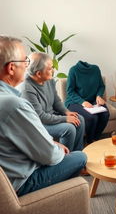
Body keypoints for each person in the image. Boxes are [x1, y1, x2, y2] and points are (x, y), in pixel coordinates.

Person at [0, 36, 87, 196]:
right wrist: (57, 148)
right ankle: (67, 191)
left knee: (77, 120)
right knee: (80, 156)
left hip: (13, 168)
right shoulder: (15, 102)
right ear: (11, 68)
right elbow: (49, 155)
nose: (27, 66)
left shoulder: (9, 98)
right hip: (20, 181)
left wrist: (66, 113)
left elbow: (57, 101)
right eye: (24, 61)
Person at [21, 52, 85, 151]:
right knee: (68, 129)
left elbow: (56, 100)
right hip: (38, 123)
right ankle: (65, 160)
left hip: (50, 116)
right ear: (38, 73)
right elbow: (41, 117)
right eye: (50, 68)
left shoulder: (48, 79)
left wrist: (66, 112)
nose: (53, 70)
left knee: (79, 119)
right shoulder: (27, 88)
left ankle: (77, 154)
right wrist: (65, 119)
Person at [65, 61, 110, 144]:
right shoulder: (73, 70)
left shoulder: (96, 69)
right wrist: (82, 102)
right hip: (75, 102)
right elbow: (70, 91)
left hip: (92, 100)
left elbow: (101, 86)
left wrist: (99, 96)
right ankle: (89, 141)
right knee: (92, 117)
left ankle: (96, 138)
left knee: (105, 114)